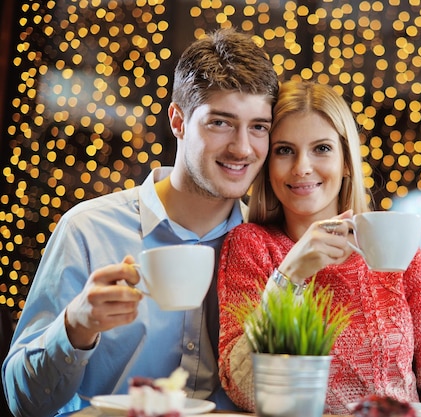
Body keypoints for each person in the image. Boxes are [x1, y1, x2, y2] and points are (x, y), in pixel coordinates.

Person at [2, 28, 279, 417]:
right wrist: (75, 327)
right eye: (220, 122)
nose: (243, 148)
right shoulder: (87, 230)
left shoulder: (273, 252)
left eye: (259, 127)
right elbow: (23, 402)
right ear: (178, 121)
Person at [217, 80, 421, 415]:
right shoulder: (250, 246)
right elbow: (244, 389)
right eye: (284, 150)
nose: (302, 167)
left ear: (347, 162)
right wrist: (290, 276)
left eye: (321, 148)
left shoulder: (397, 250)